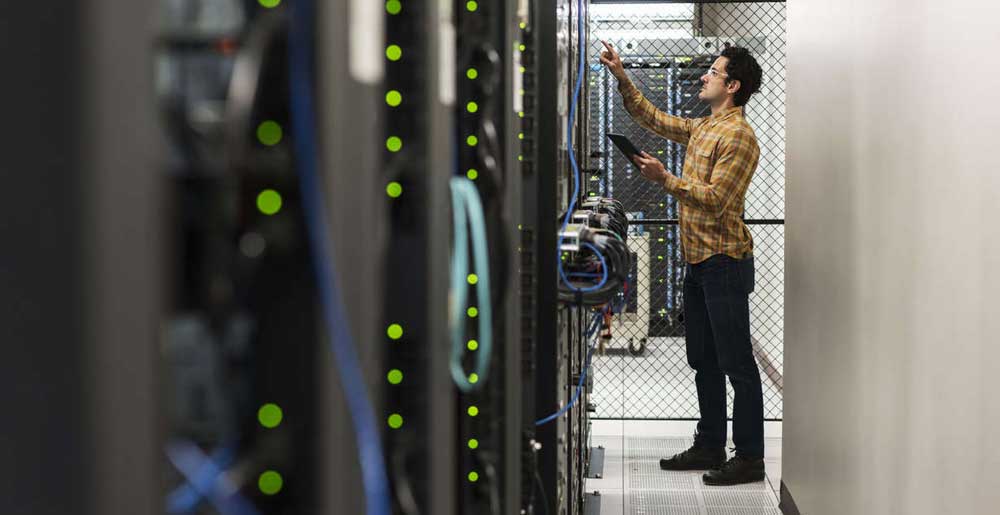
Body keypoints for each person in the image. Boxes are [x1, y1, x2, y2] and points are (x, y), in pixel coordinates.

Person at [599, 40, 766, 486]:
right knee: (703, 359)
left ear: (732, 86)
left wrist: (665, 179)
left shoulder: (739, 138)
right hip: (697, 261)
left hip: (724, 263)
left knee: (737, 364)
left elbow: (716, 200)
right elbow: (653, 118)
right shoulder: (704, 127)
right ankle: (709, 443)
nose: (704, 76)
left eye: (713, 71)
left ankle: (750, 457)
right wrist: (621, 76)